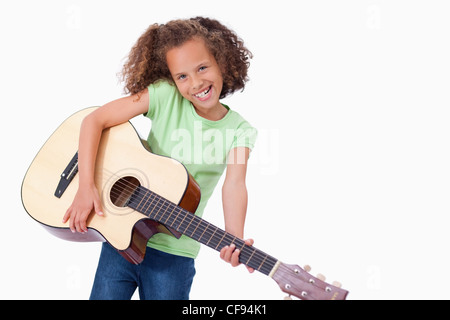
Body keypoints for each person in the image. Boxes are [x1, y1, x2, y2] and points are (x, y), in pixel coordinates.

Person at [62, 17, 257, 300]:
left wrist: (234, 238)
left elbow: (235, 185)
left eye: (203, 68)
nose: (196, 83)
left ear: (222, 63)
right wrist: (86, 186)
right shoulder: (165, 97)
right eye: (182, 76)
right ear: (172, 79)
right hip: (121, 241)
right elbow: (95, 121)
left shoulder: (240, 131)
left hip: (175, 257)